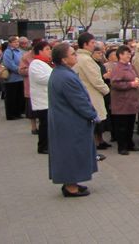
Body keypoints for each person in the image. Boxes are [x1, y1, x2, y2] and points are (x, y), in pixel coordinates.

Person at [48, 42, 99, 197]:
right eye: (72, 54)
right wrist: (92, 114)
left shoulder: (62, 73)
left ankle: (73, 181)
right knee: (71, 153)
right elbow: (79, 101)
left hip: (66, 120)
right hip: (70, 122)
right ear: (63, 59)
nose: (76, 56)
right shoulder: (65, 76)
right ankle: (70, 186)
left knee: (72, 152)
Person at [73, 33, 110, 159]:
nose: (94, 45)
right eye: (92, 42)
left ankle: (91, 150)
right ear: (85, 44)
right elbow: (96, 80)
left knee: (91, 125)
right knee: (91, 124)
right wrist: (106, 90)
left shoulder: (80, 57)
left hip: (86, 94)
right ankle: (91, 152)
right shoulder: (86, 59)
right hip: (91, 94)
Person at [110, 45, 139, 155]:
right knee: (122, 126)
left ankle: (130, 143)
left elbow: (135, 77)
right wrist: (131, 84)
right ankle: (122, 146)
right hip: (121, 102)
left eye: (130, 53)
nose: (129, 55)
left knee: (130, 125)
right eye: (127, 53)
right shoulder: (117, 68)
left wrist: (137, 81)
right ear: (120, 55)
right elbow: (115, 83)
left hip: (131, 101)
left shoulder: (130, 66)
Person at [29, 41, 53, 154]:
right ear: (40, 51)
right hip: (42, 100)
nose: (50, 51)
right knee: (45, 125)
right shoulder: (36, 63)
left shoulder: (45, 63)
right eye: (47, 49)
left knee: (48, 124)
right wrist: (55, 75)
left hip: (47, 99)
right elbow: (41, 79)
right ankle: (43, 146)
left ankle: (47, 145)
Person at [2, 36, 25, 120]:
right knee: (11, 97)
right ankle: (11, 114)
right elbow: (9, 64)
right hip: (11, 78)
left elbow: (22, 61)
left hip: (20, 77)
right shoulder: (8, 52)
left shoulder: (18, 51)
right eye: (15, 42)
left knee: (19, 96)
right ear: (10, 43)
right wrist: (18, 69)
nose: (17, 43)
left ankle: (18, 113)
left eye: (17, 42)